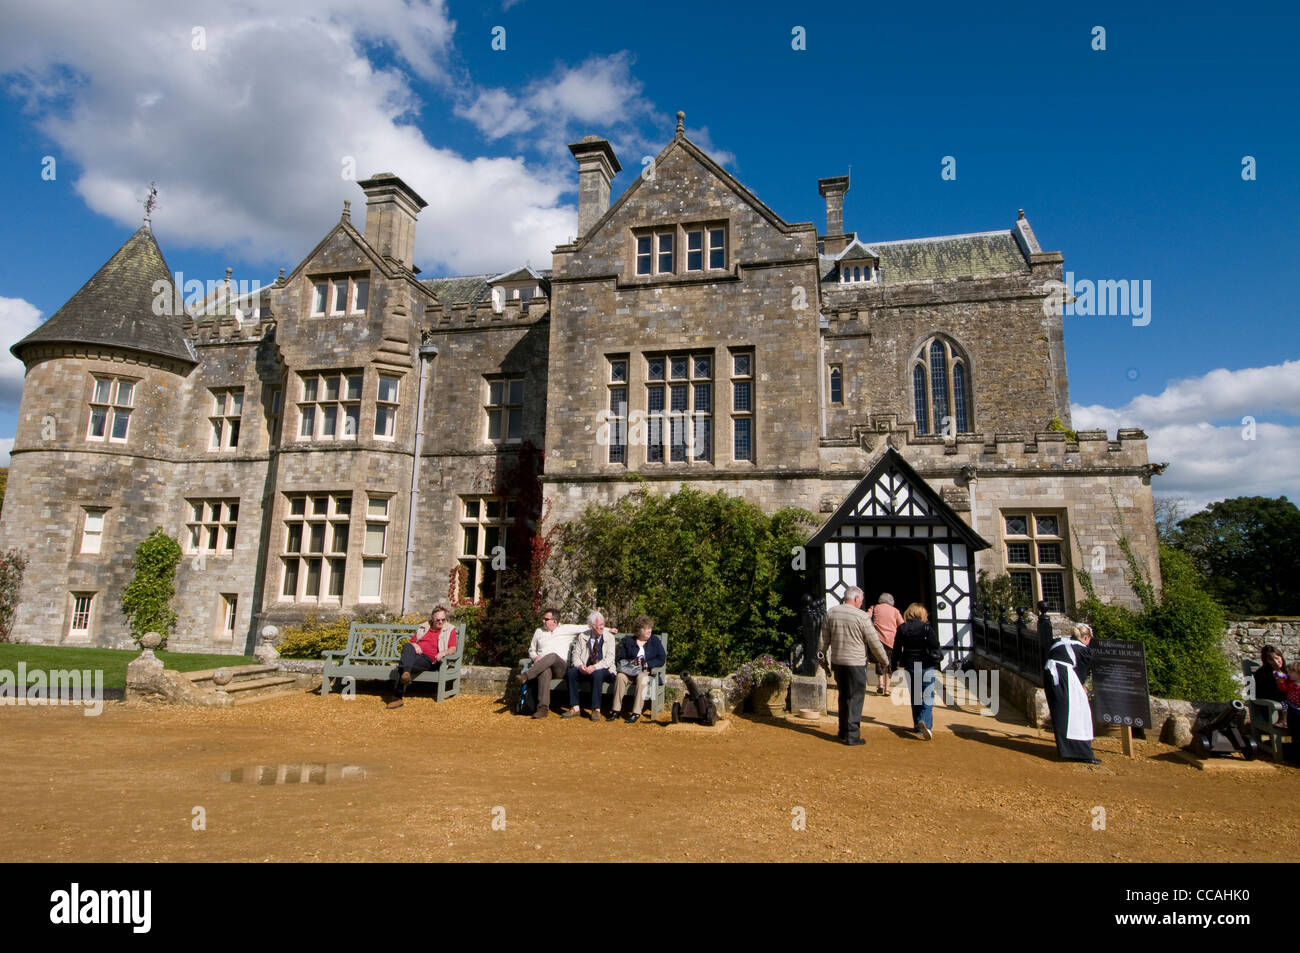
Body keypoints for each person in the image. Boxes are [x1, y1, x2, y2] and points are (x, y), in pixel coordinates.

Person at [819, 586, 889, 746]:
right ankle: (852, 734)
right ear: (856, 599)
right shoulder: (861, 616)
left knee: (843, 696)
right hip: (856, 663)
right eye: (861, 600)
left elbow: (822, 641)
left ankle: (843, 730)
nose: (861, 603)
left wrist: (822, 661)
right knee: (855, 698)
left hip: (838, 662)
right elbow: (874, 642)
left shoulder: (831, 612)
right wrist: (884, 660)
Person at [1042, 622, 1099, 763]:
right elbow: (1081, 672)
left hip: (1052, 676)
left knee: (1062, 713)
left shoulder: (1061, 641)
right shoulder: (1081, 649)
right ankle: (1080, 752)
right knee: (1076, 714)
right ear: (1085, 637)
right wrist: (1082, 687)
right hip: (1064, 677)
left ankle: (1066, 749)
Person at [515, 608, 586, 718]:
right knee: (545, 671)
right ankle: (542, 709)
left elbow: (590, 627)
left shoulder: (566, 629)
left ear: (555, 622)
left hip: (560, 668)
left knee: (552, 656)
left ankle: (526, 676)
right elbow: (531, 650)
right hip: (542, 667)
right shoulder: (539, 631)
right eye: (543, 619)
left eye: (546, 619)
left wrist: (608, 630)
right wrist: (536, 657)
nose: (543, 621)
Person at [387, 606, 456, 709]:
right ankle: (406, 675)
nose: (441, 622)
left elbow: (453, 648)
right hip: (417, 656)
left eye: (443, 619)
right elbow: (412, 642)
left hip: (431, 660)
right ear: (432, 618)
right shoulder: (423, 627)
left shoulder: (450, 629)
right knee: (407, 646)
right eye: (438, 619)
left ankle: (397, 697)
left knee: (404, 666)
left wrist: (444, 652)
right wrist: (415, 645)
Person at [890, 603, 941, 740]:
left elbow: (896, 649)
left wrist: (893, 666)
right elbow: (935, 644)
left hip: (910, 665)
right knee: (928, 695)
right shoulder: (926, 628)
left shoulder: (902, 628)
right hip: (926, 664)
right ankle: (925, 722)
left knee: (915, 696)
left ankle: (918, 727)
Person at [610, 614, 665, 722]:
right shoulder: (629, 641)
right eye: (646, 629)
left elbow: (661, 658)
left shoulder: (654, 641)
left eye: (650, 628)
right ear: (638, 631)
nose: (649, 631)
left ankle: (636, 712)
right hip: (629, 670)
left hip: (645, 671)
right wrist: (633, 662)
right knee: (620, 677)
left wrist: (647, 664)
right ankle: (615, 710)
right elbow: (622, 658)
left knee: (642, 679)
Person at [564, 611, 617, 721]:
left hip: (605, 670)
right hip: (585, 668)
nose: (602, 627)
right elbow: (575, 655)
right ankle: (575, 707)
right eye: (599, 626)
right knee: (571, 672)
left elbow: (609, 659)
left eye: (603, 624)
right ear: (592, 627)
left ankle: (596, 709)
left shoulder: (609, 637)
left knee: (597, 674)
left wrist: (595, 667)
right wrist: (580, 666)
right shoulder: (583, 636)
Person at [868, 593, 904, 696]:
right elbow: (901, 624)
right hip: (891, 641)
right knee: (890, 664)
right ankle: (887, 689)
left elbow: (866, 617)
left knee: (879, 662)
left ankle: (880, 685)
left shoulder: (874, 607)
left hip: (877, 640)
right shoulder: (895, 611)